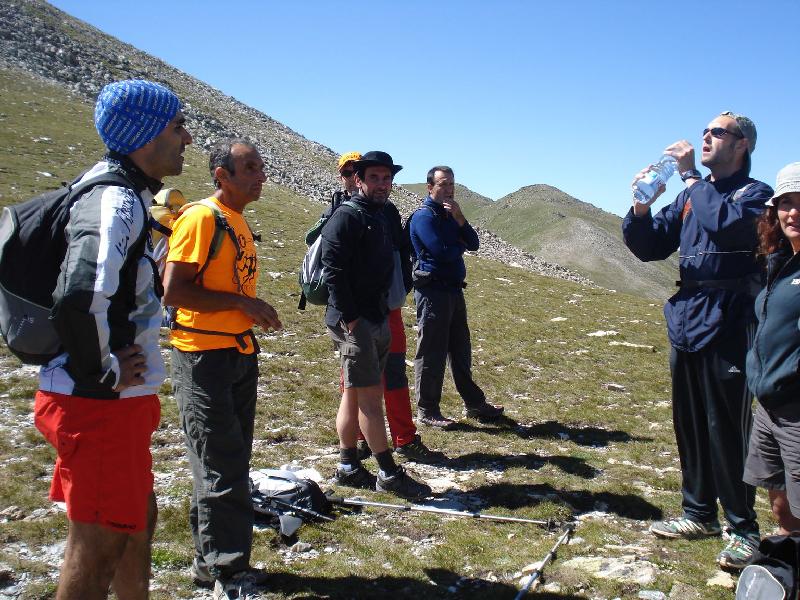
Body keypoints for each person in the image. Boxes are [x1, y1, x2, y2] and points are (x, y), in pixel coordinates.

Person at [33, 79, 191, 600]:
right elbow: (80, 293)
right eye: (176, 126)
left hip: (112, 403)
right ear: (146, 136)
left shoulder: (124, 194)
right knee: (97, 541)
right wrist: (104, 369)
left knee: (133, 520)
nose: (186, 137)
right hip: (97, 404)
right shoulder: (116, 201)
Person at [622, 112, 773, 570]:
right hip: (686, 316)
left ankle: (744, 528)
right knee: (688, 420)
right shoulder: (692, 197)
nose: (706, 137)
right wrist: (641, 208)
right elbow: (650, 247)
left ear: (742, 144)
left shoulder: (755, 194)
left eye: (717, 132)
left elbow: (726, 225)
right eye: (705, 131)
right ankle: (698, 512)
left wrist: (689, 176)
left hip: (728, 319)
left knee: (725, 425)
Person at [162, 139, 282, 599]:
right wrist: (241, 303)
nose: (260, 175)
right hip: (202, 357)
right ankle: (228, 573)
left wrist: (248, 313)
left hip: (236, 352)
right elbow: (174, 291)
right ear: (221, 175)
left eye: (261, 167)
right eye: (249, 167)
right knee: (221, 462)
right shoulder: (201, 218)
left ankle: (208, 562)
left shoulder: (237, 221)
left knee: (225, 460)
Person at [321, 150, 431, 499]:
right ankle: (387, 471)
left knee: (353, 393)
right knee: (371, 398)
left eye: (387, 178)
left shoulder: (383, 214)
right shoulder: (347, 217)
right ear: (359, 179)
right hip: (355, 321)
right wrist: (353, 319)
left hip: (376, 314)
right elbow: (332, 269)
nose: (382, 184)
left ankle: (347, 465)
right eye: (374, 178)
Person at [409, 166, 503, 429]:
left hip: (452, 290)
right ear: (430, 187)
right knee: (431, 352)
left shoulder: (451, 214)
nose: (448, 189)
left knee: (461, 350)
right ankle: (427, 410)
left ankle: (474, 403)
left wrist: (460, 219)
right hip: (432, 292)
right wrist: (458, 244)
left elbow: (473, 243)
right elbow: (442, 252)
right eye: (443, 184)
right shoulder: (423, 217)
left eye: (451, 184)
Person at [745, 162, 800, 535]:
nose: (794, 212)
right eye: (786, 203)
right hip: (768, 406)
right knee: (781, 508)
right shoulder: (780, 262)